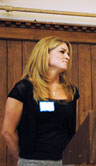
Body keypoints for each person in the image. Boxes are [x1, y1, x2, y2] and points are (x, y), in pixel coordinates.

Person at [1, 36, 79, 166]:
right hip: (33, 161)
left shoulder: (71, 91)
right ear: (45, 54)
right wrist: (26, 159)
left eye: (68, 54)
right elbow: (7, 132)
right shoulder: (24, 88)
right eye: (62, 52)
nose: (67, 57)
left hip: (66, 161)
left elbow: (70, 131)